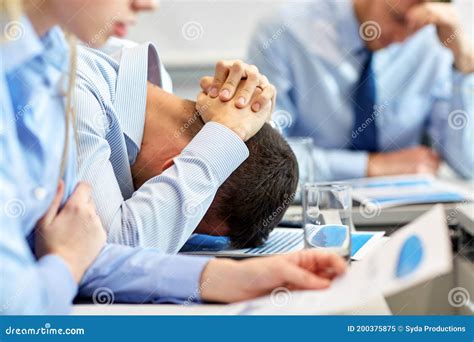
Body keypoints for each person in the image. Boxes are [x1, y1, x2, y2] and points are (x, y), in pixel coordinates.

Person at [0, 0, 346, 314]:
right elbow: (103, 246)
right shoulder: (70, 85)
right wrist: (222, 136)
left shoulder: (54, 59)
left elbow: (86, 251)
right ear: (173, 170)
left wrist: (230, 277)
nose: (147, 5)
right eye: (178, 216)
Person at [75, 42, 298, 250]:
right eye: (183, 222)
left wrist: (237, 120)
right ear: (172, 169)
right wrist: (228, 132)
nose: (177, 232)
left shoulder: (145, 87)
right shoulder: (80, 95)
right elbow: (110, 250)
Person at [248, 0, 473, 181]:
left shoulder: (433, 42)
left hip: (407, 212)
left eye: (415, 27)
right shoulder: (284, 31)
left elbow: (467, 165)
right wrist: (371, 166)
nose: (401, 38)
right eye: (397, 18)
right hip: (311, 210)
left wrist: (464, 62)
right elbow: (266, 160)